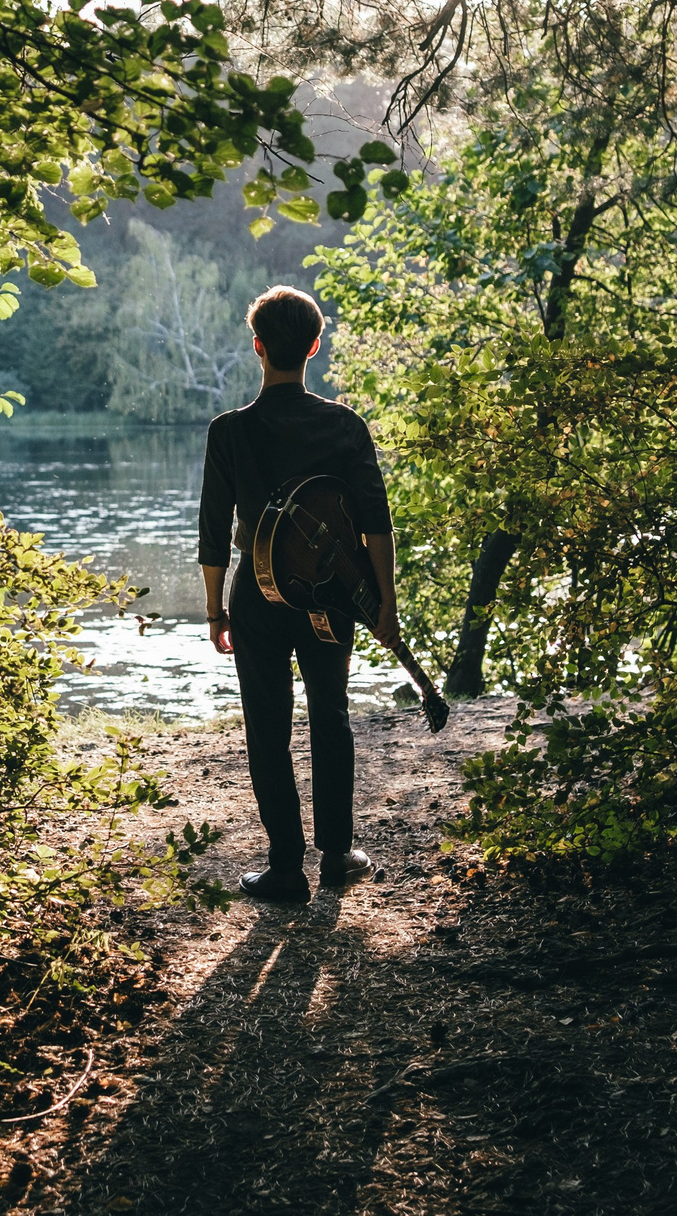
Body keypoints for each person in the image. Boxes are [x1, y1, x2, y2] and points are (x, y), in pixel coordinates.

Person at [197, 285, 401, 903]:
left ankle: (285, 869)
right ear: (314, 346)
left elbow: (212, 529)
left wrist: (215, 610)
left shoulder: (229, 431)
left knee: (268, 729)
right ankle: (337, 854)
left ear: (258, 347)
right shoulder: (343, 425)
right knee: (331, 715)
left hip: (255, 601)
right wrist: (383, 605)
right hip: (331, 598)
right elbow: (375, 522)